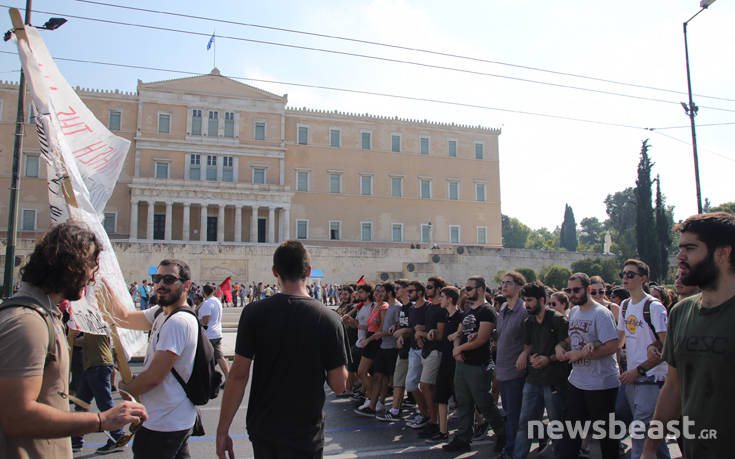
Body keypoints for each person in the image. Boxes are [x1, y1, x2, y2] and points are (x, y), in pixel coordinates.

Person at [0, 222, 147, 458]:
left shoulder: (45, 316)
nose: (93, 276)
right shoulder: (28, 323)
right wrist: (101, 420)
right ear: (70, 265)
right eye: (91, 266)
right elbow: (16, 417)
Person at [216, 241, 348, 459]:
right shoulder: (329, 319)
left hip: (264, 427)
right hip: (307, 431)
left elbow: (238, 376)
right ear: (308, 271)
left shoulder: (253, 313)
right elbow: (339, 385)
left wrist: (223, 430)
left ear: (275, 271)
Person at [642, 212, 735, 459]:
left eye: (690, 248)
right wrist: (650, 448)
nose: (680, 257)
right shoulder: (681, 312)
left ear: (723, 253)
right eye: (680, 248)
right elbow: (674, 386)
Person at [106, 259, 199, 459]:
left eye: (169, 279)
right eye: (157, 278)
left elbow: (154, 377)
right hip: (170, 419)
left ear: (187, 285)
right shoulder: (161, 312)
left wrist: (126, 388)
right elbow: (123, 317)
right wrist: (103, 286)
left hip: (164, 423)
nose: (161, 284)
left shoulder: (178, 322)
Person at [557, 273, 620, 459]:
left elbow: (612, 345)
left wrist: (582, 354)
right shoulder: (575, 311)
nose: (572, 294)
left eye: (576, 290)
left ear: (589, 290)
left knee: (606, 437)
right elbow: (574, 336)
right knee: (570, 434)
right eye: (569, 290)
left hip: (601, 383)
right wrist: (561, 345)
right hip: (578, 381)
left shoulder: (601, 313)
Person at [443, 276, 506, 453]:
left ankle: (502, 433)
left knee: (483, 402)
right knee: (463, 403)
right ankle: (463, 438)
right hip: (463, 363)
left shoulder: (487, 310)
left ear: (480, 289)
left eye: (469, 288)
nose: (466, 291)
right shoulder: (469, 311)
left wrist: (459, 348)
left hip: (478, 363)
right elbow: (458, 333)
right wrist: (457, 349)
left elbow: (482, 338)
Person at [616, 259, 669, 459]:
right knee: (652, 434)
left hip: (651, 379)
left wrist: (638, 370)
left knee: (640, 432)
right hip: (632, 378)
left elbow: (666, 347)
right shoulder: (625, 304)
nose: (625, 278)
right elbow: (619, 340)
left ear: (643, 278)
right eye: (624, 274)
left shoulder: (654, 307)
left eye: (631, 274)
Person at [514, 280, 569, 459]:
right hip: (533, 379)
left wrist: (548, 359)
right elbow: (529, 344)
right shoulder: (528, 321)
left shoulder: (558, 320)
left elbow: (567, 347)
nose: (526, 304)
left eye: (530, 300)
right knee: (525, 422)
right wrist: (526, 355)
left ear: (542, 300)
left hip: (553, 380)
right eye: (525, 300)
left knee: (557, 424)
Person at [71, 333, 127, 454]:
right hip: (92, 365)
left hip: (98, 365)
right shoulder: (91, 325)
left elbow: (82, 340)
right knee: (81, 403)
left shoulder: (95, 322)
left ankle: (118, 436)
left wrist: (71, 335)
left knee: (105, 404)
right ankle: (76, 439)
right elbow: (82, 341)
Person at [495, 271, 528, 458]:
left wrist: (525, 353)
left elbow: (529, 340)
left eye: (508, 283)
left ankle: (513, 451)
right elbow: (502, 333)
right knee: (509, 414)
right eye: (503, 283)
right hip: (503, 369)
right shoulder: (504, 308)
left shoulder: (524, 310)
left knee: (515, 416)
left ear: (519, 287)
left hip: (516, 372)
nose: (504, 286)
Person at [199, 285, 230, 383]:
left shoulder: (207, 304)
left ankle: (204, 380)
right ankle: (228, 377)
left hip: (209, 335)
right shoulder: (217, 301)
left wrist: (195, 319)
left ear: (204, 292)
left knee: (204, 358)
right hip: (217, 332)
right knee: (219, 357)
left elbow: (205, 321)